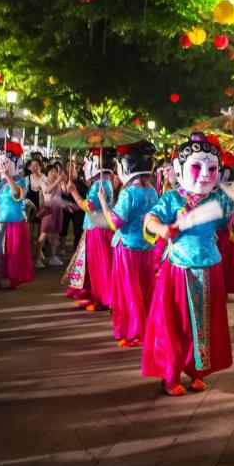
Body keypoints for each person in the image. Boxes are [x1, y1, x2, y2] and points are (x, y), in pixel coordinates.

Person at [142, 132, 234, 396]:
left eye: (212, 169)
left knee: (204, 324)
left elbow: (231, 226)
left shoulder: (219, 199)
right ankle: (170, 375)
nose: (205, 174)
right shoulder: (172, 199)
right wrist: (162, 229)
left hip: (210, 268)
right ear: (179, 168)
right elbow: (150, 219)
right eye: (197, 167)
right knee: (174, 324)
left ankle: (197, 371)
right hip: (178, 269)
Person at [100, 140, 159, 347]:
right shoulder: (152, 190)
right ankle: (147, 328)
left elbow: (115, 222)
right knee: (145, 288)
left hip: (127, 248)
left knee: (128, 290)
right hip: (146, 246)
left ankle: (133, 330)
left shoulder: (128, 193)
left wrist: (104, 203)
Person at [64, 151, 117, 310]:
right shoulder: (105, 181)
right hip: (99, 228)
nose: (84, 167)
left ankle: (102, 297)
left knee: (98, 266)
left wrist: (74, 192)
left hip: (96, 230)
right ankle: (99, 295)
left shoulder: (99, 185)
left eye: (87, 163)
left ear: (96, 164)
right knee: (99, 265)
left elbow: (88, 207)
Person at [0, 153, 34, 289]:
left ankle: (14, 279)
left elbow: (16, 194)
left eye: (4, 163)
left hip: (15, 222)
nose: (1, 166)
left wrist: (9, 176)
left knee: (13, 251)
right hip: (1, 221)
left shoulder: (21, 181)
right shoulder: (1, 183)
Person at [216, 152, 234, 296]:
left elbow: (231, 214)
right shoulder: (216, 190)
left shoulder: (229, 191)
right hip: (217, 233)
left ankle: (221, 289)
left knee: (224, 263)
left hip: (224, 233)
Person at [37, 164, 65, 266]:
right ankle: (38, 258)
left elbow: (65, 192)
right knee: (44, 233)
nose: (54, 173)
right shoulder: (43, 182)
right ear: (47, 173)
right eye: (51, 171)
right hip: (48, 210)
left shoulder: (58, 182)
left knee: (55, 234)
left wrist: (63, 182)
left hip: (58, 209)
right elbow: (47, 191)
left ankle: (53, 257)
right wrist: (58, 181)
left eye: (55, 171)